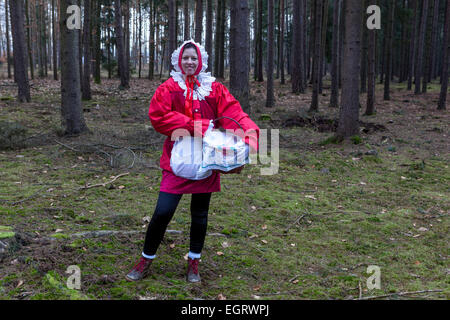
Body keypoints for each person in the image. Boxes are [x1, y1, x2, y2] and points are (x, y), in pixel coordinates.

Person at [125, 40, 260, 283]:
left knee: (200, 214)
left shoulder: (214, 89)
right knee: (163, 212)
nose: (190, 62)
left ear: (201, 61)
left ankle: (194, 262)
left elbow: (234, 114)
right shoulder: (168, 88)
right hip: (177, 160)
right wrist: (193, 126)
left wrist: (249, 134)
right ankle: (146, 259)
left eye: (194, 58)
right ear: (179, 60)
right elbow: (158, 117)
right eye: (186, 58)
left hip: (208, 159)